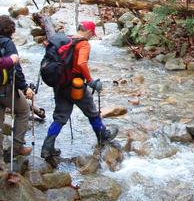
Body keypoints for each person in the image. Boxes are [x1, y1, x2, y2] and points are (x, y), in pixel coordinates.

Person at [40, 20, 118, 159]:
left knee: (60, 117)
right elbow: (81, 63)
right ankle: (103, 136)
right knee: (92, 112)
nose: (91, 37)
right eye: (92, 34)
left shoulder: (67, 39)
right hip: (75, 85)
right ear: (88, 31)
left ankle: (47, 148)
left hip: (60, 83)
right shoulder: (83, 44)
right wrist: (91, 81)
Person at [0, 15, 34, 166]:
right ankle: (16, 148)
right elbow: (16, 69)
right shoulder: (8, 43)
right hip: (4, 88)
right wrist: (25, 87)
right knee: (23, 110)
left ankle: (1, 157)